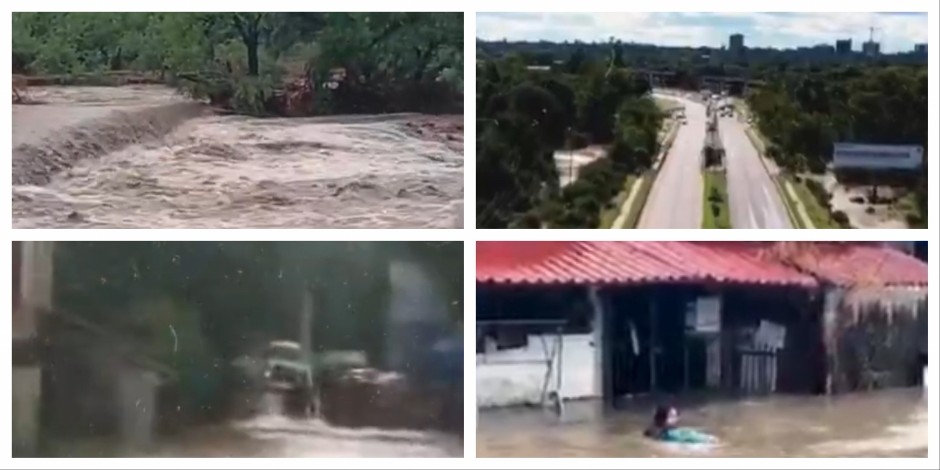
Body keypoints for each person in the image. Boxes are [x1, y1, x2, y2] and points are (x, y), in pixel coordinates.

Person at [644, 405, 717, 444]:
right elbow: (686, 438)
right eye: (672, 417)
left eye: (676, 416)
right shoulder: (665, 434)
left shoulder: (657, 431)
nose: (676, 419)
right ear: (662, 419)